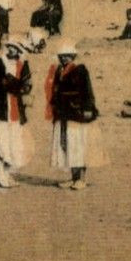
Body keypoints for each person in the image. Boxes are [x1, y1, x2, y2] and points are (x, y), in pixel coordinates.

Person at [47, 40, 102, 190]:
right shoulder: (59, 71)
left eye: (67, 56)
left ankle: (81, 179)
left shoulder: (80, 70)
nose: (64, 58)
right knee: (68, 146)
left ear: (73, 56)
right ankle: (73, 178)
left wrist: (88, 108)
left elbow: (87, 90)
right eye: (62, 56)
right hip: (64, 112)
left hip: (77, 113)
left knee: (79, 145)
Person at [0, 41, 32, 187]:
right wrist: (5, 83)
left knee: (12, 144)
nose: (13, 50)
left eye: (16, 48)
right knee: (0, 142)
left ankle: (6, 175)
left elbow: (27, 86)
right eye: (11, 47)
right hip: (0, 107)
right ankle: (0, 175)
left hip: (15, 109)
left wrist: (15, 85)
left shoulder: (22, 65)